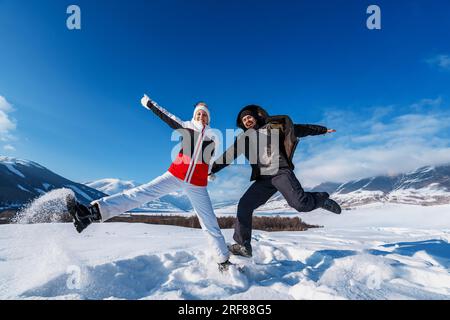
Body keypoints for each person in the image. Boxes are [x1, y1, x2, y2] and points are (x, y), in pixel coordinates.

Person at [67, 95, 232, 271]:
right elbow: (166, 115)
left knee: (209, 221)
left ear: (209, 118)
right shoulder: (186, 127)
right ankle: (92, 213)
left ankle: (222, 260)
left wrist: (209, 173)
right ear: (194, 116)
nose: (201, 117)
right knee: (140, 193)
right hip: (176, 174)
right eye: (198, 114)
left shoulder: (214, 137)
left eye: (204, 114)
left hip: (197, 184)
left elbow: (210, 159)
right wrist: (150, 104)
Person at [209, 105, 341, 258]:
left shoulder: (273, 127)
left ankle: (321, 199)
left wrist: (322, 130)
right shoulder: (243, 139)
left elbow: (299, 129)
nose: (247, 121)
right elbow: (228, 156)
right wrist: (211, 169)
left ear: (256, 117)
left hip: (280, 171)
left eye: (249, 117)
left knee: (301, 204)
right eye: (244, 120)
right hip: (263, 179)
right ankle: (242, 244)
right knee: (245, 205)